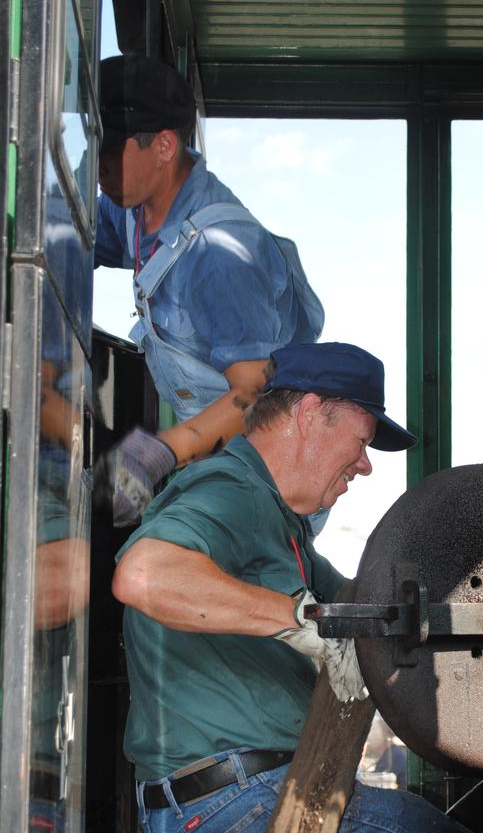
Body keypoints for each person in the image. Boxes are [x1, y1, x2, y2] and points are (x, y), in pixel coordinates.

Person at [100, 342, 483, 833]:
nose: (365, 466)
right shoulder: (229, 489)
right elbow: (144, 575)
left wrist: (462, 602)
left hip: (248, 793)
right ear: (310, 412)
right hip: (234, 801)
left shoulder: (280, 524)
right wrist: (298, 621)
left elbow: (361, 607)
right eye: (362, 440)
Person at [94, 53, 324, 526]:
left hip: (271, 472)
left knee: (154, 562)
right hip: (217, 454)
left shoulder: (219, 255)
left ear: (164, 146)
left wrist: (156, 454)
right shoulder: (134, 209)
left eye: (110, 150)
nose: (98, 168)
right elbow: (66, 233)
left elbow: (255, 394)